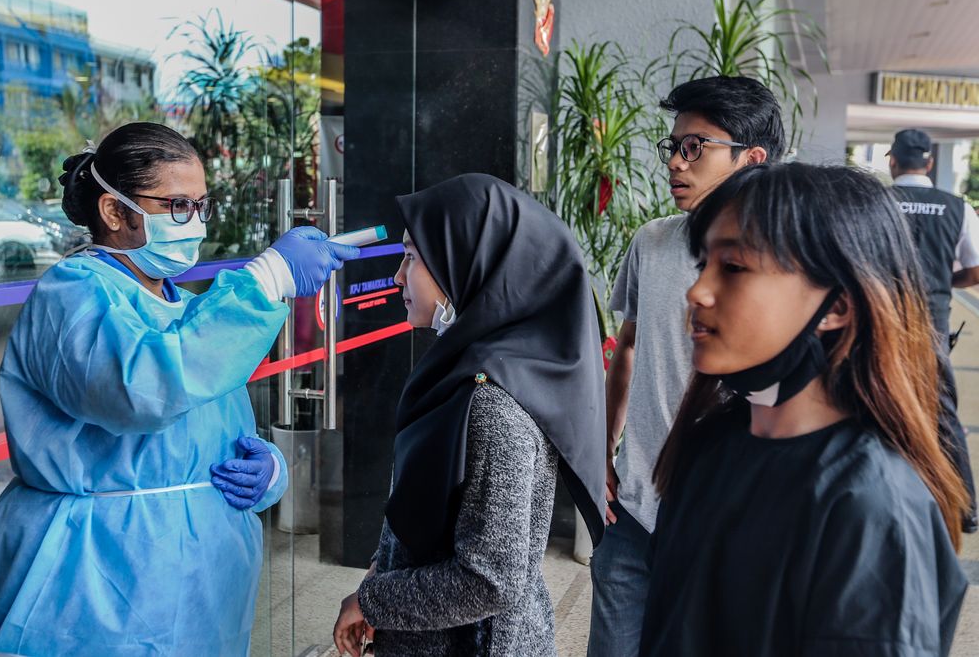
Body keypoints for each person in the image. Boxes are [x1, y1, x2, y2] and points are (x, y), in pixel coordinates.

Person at [0, 122, 359, 656]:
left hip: (200, 582)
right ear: (114, 212)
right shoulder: (72, 295)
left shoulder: (185, 308)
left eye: (202, 206)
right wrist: (268, 277)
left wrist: (267, 471)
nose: (195, 222)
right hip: (98, 576)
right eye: (178, 206)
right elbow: (143, 390)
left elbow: (211, 418)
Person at [641, 163, 969, 656]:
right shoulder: (707, 447)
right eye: (702, 263)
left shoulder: (869, 505)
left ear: (836, 306)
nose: (697, 291)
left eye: (733, 267)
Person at [332, 174, 606, 656]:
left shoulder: (493, 404)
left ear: (463, 264)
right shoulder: (463, 370)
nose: (398, 276)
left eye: (412, 258)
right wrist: (381, 571)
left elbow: (490, 580)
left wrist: (373, 601)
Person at [588, 75, 785, 657]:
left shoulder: (783, 262)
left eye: (696, 147)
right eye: (673, 146)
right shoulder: (651, 241)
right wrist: (603, 448)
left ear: (752, 159)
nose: (676, 161)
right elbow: (626, 346)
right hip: (632, 510)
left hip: (722, 516)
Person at [888, 127, 979, 532]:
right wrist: (944, 281)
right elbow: (975, 271)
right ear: (929, 163)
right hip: (932, 323)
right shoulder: (958, 208)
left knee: (870, 401)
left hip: (881, 320)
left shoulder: (876, 201)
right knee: (942, 411)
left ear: (893, 161)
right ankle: (967, 508)